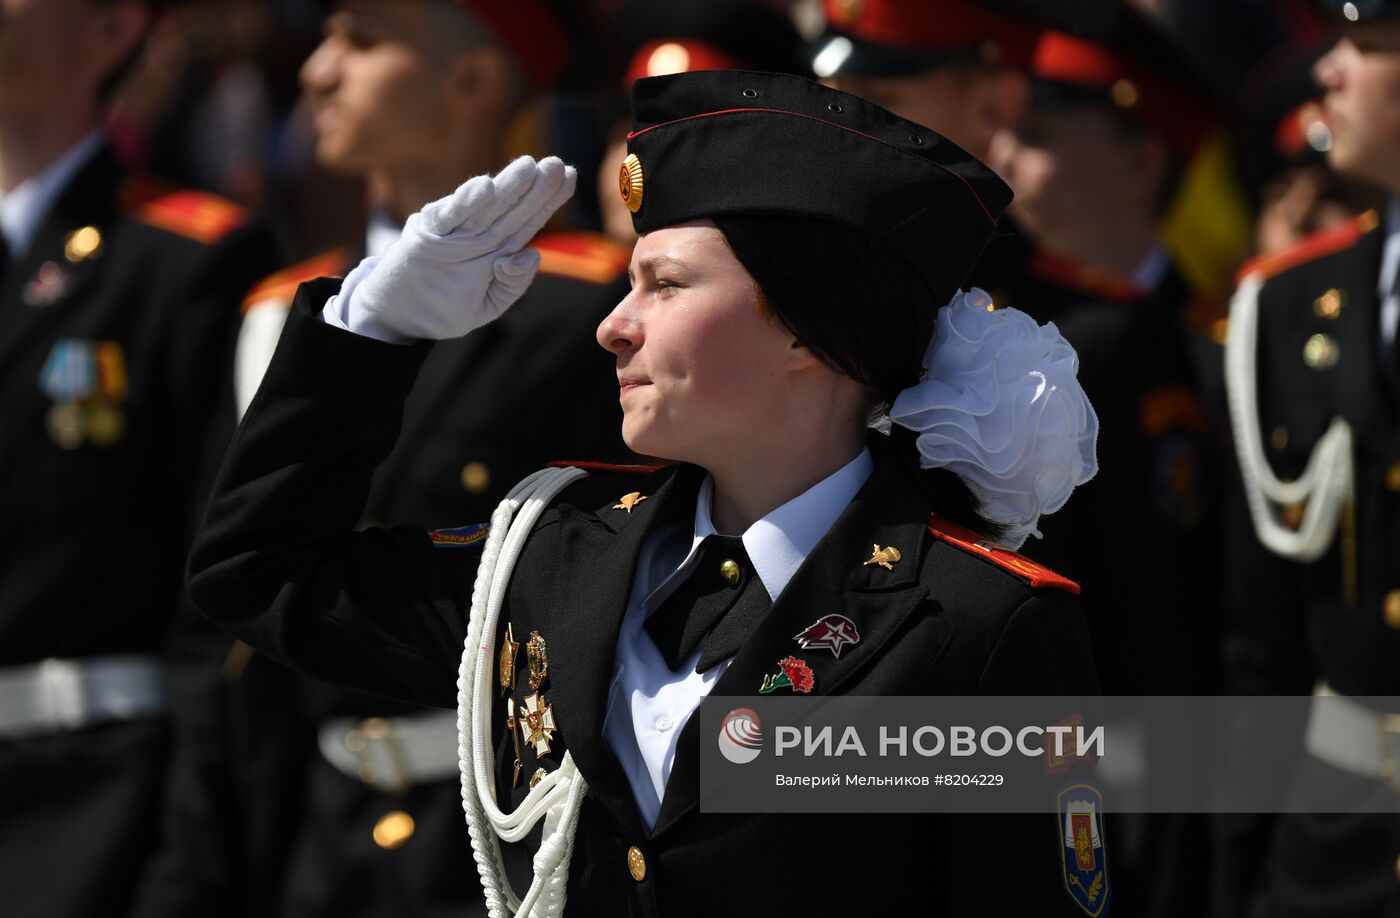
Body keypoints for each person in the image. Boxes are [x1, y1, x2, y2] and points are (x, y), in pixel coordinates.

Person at [189, 70, 1104, 916]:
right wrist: (370, 334)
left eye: (663, 286)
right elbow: (262, 573)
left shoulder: (975, 622)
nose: (613, 328)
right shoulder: (554, 553)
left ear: (807, 327)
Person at [168, 2, 634, 916]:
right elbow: (214, 620)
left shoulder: (591, 308)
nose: (317, 71)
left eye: (365, 39)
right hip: (314, 827)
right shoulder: (284, 307)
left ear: (471, 82)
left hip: (510, 831)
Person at [0, 0, 278, 915]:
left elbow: (217, 593)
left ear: (113, 28)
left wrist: (189, 852)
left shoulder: (186, 258)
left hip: (92, 801)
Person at [1219, 1, 1400, 915]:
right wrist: (1242, 863)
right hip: (1335, 839)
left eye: (1367, 45)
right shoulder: (1290, 305)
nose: (1328, 70)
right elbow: (1266, 644)